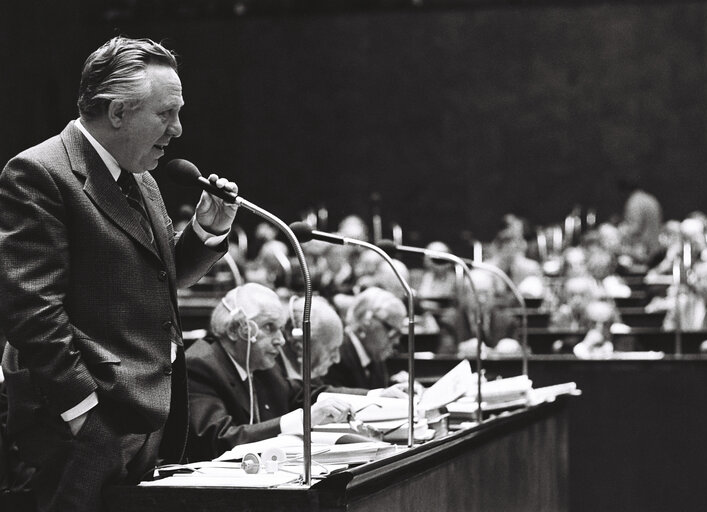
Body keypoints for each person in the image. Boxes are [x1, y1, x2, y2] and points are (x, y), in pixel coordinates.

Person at [0, 37, 240, 512]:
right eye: (165, 114)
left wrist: (205, 232)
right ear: (116, 113)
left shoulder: (142, 177)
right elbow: (31, 309)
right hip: (83, 425)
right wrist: (83, 414)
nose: (177, 129)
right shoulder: (39, 172)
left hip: (146, 415)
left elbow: (155, 278)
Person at [185, 284, 353, 462]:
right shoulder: (199, 365)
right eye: (269, 327)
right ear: (235, 330)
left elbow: (308, 395)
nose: (281, 340)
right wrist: (304, 420)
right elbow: (220, 440)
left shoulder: (262, 366)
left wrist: (379, 396)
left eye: (280, 328)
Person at [323, 287, 407, 390]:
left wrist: (395, 386)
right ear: (366, 322)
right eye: (392, 331)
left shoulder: (374, 355)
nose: (396, 341)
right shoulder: (336, 356)